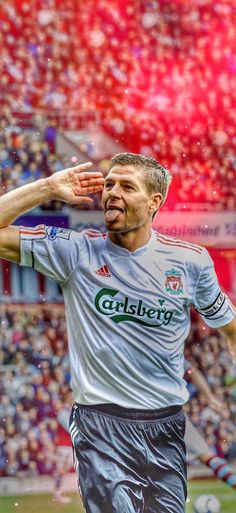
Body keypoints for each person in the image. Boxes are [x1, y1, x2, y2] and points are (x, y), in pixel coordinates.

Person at [0, 152, 235, 513]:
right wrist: (46, 188)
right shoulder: (76, 251)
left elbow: (230, 327)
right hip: (100, 425)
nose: (112, 193)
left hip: (166, 426)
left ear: (154, 201)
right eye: (109, 184)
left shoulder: (191, 262)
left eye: (127, 186)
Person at [184, 361, 236, 490]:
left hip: (133, 416)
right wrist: (209, 397)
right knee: (208, 457)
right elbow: (192, 371)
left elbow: (191, 371)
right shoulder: (168, 346)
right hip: (171, 414)